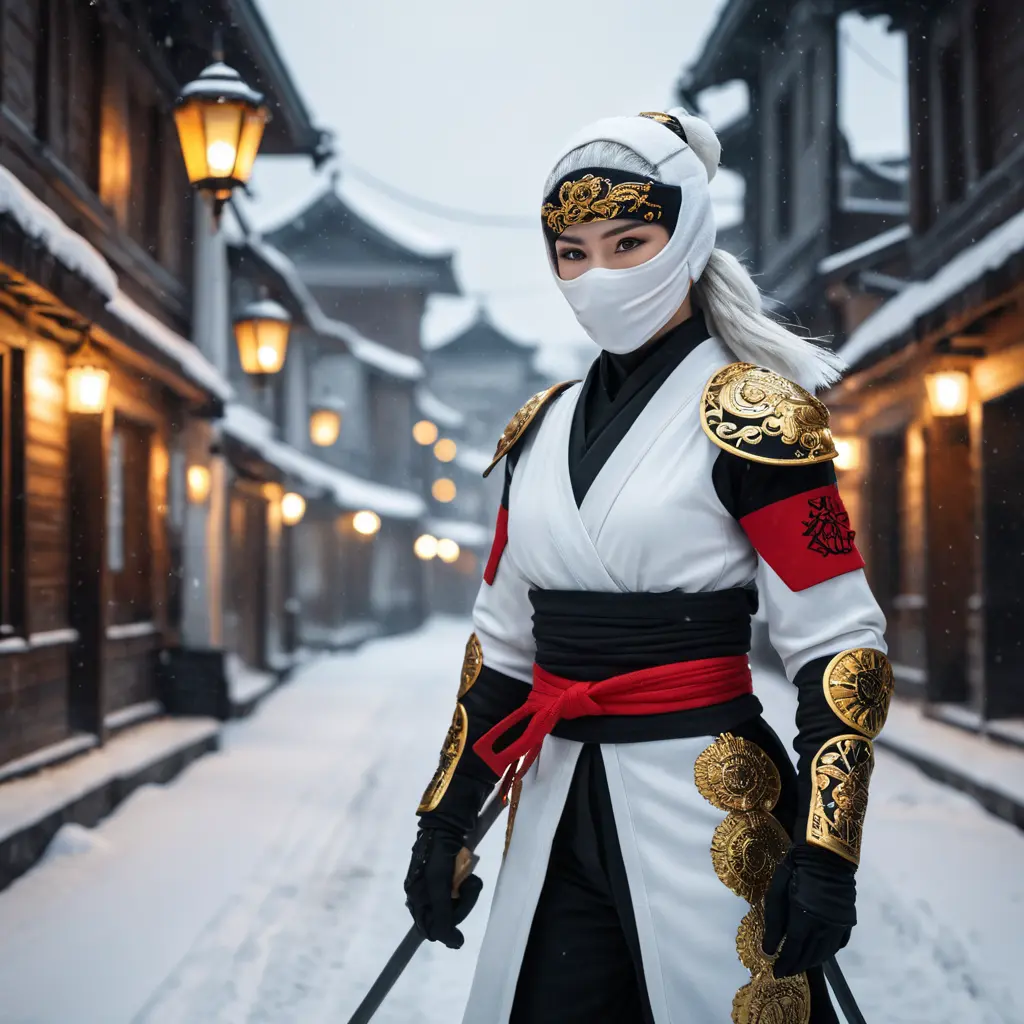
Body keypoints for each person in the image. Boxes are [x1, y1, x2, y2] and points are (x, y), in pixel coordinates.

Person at [403, 108, 893, 1024]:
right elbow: (501, 652)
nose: (598, 275)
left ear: (689, 235)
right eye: (573, 252)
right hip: (548, 801)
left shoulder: (758, 419)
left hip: (710, 800)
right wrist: (446, 817)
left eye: (628, 241)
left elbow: (840, 643)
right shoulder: (538, 430)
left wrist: (827, 849)